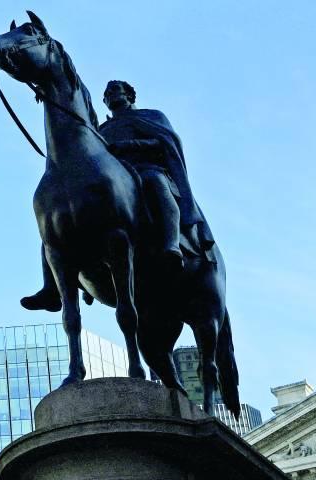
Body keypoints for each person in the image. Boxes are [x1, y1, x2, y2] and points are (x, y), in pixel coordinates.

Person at [21, 80, 215, 312]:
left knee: (156, 182)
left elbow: (164, 143)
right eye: (106, 94)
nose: (109, 96)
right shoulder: (102, 129)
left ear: (129, 95)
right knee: (57, 222)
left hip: (144, 169)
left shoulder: (151, 116)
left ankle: (171, 244)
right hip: (114, 184)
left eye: (114, 91)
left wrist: (130, 145)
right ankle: (52, 287)